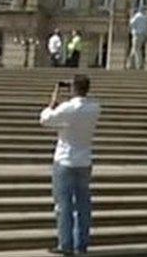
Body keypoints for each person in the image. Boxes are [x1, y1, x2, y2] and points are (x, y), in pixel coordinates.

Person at [39, 74, 101, 255]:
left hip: (65, 160)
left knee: (64, 205)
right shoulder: (95, 108)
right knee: (83, 205)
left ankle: (65, 244)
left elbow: (44, 119)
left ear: (73, 88)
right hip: (84, 160)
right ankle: (81, 244)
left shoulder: (68, 108)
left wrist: (53, 100)